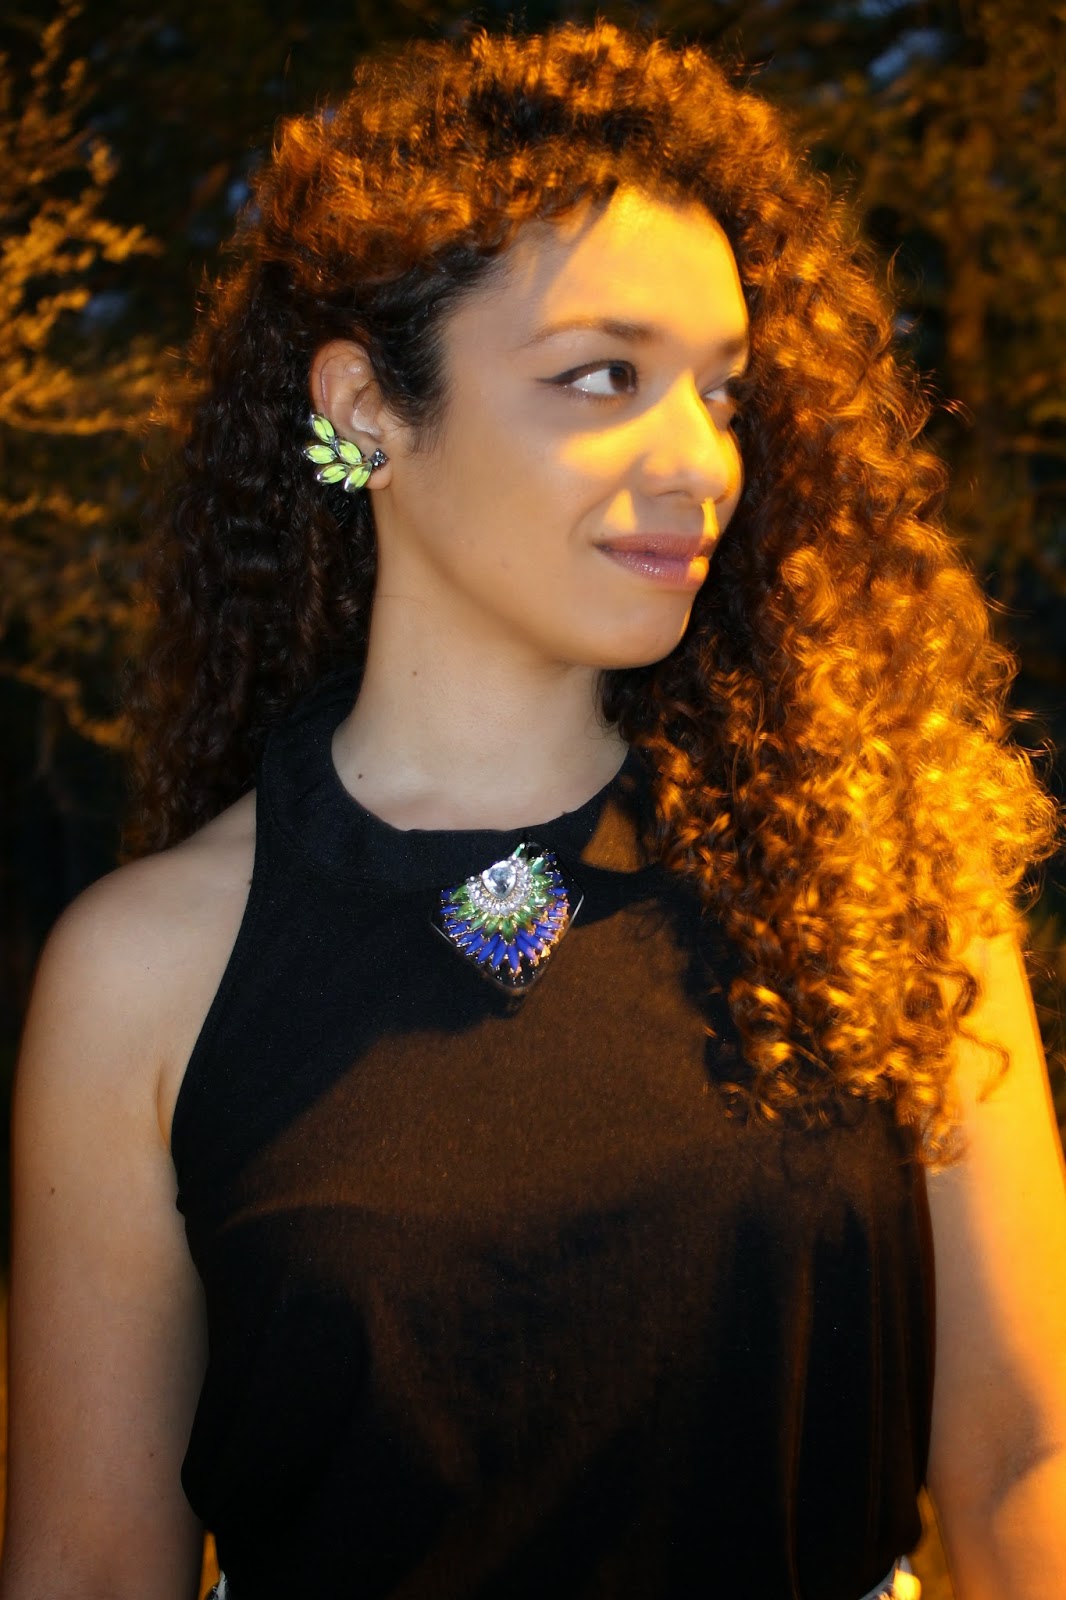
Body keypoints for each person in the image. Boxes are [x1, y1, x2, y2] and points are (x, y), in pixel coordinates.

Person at [3, 20, 1065, 1600]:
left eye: (722, 390)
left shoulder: (883, 884)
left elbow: (1019, 1466)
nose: (701, 460)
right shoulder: (143, 976)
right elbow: (91, 1566)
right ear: (367, 409)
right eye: (601, 377)